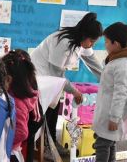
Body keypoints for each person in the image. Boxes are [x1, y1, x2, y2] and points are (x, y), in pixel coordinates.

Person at [30, 12, 103, 149]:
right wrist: (75, 91)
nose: (92, 45)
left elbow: (93, 63)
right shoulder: (62, 42)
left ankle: (49, 144)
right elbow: (56, 76)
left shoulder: (81, 43)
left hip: (52, 79)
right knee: (45, 113)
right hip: (40, 77)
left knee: (54, 109)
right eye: (92, 41)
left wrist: (106, 78)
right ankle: (41, 146)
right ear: (84, 35)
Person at [78, 22, 127, 162]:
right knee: (109, 142)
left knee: (103, 143)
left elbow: (121, 94)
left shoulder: (122, 65)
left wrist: (114, 117)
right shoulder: (118, 61)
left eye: (106, 42)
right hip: (109, 111)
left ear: (115, 44)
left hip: (112, 113)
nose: (104, 45)